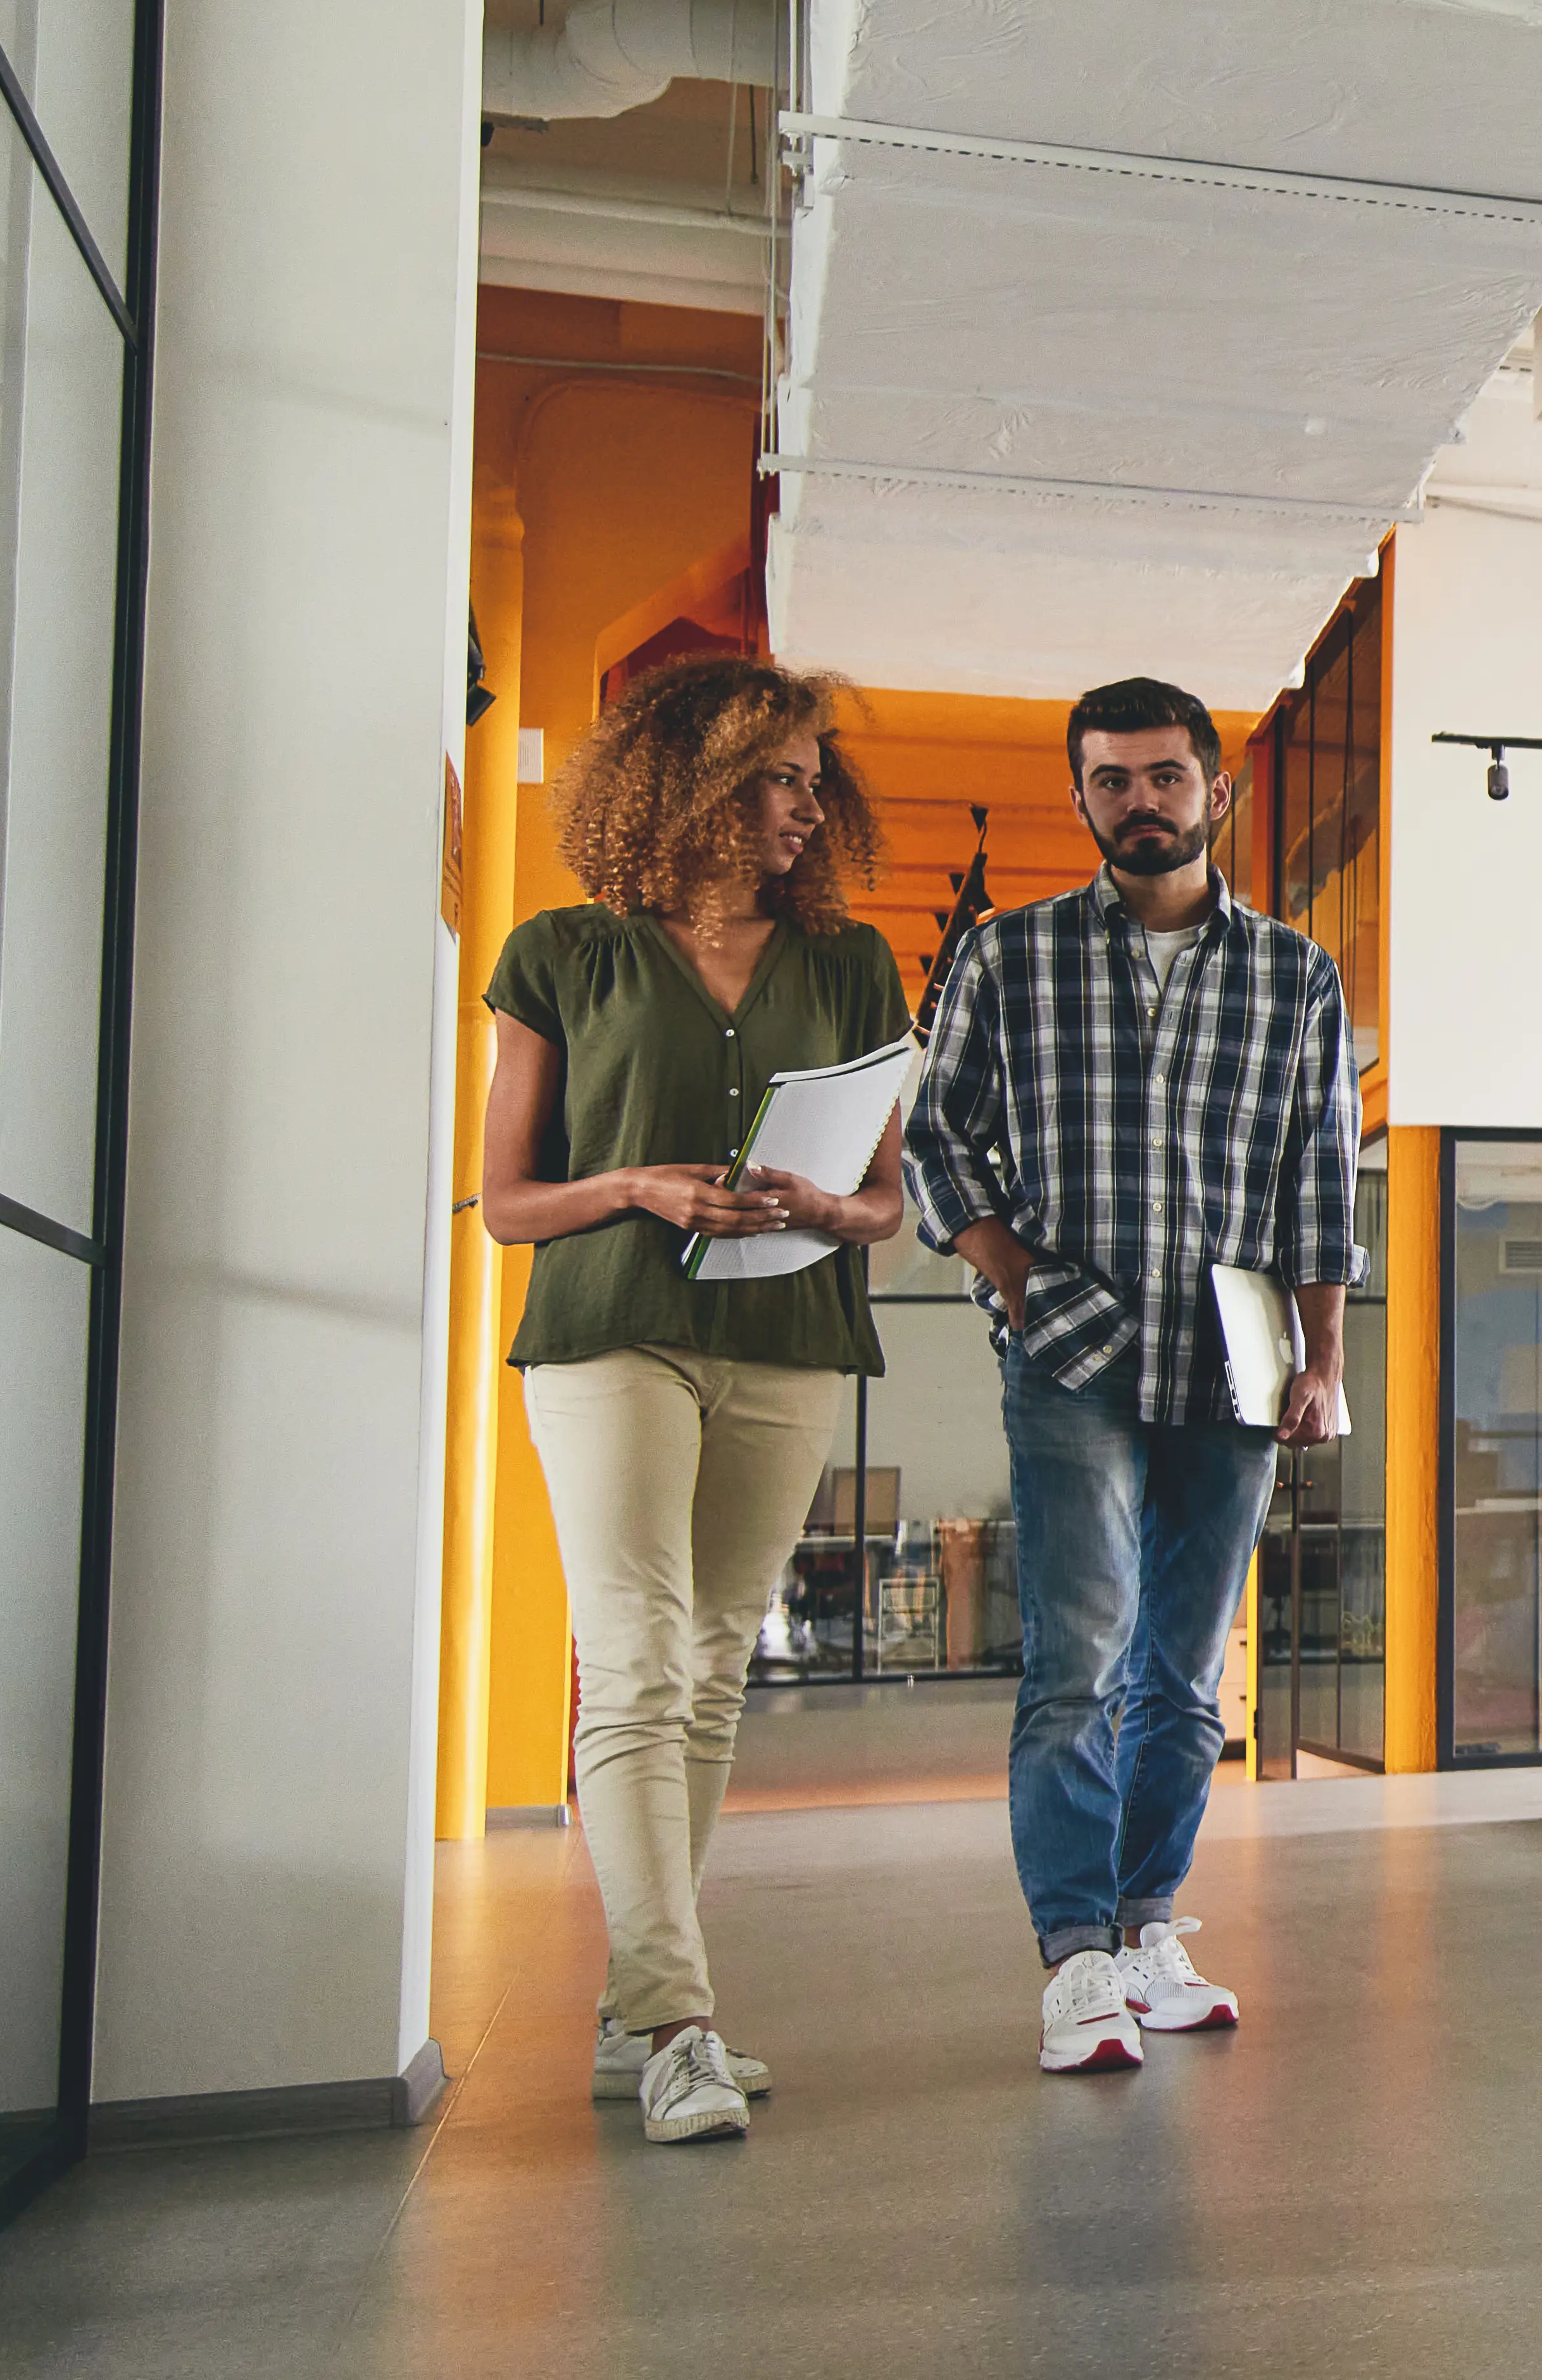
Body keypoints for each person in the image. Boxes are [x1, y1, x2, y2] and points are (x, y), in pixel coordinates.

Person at [478, 656, 913, 2148]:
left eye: (812, 779)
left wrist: (834, 1204)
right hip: (613, 1327)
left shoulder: (853, 968)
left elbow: (889, 1201)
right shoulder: (561, 954)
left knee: (717, 1663)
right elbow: (506, 1203)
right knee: (642, 1655)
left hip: (791, 1331)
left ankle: (634, 2013)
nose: (806, 804)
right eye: (781, 775)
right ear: (692, 777)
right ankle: (678, 2020)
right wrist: (633, 1184)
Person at [903, 675, 1362, 2083]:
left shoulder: (1293, 973)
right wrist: (1021, 1278)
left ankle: (1149, 1923)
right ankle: (1075, 1956)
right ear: (1082, 795)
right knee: (1078, 1660)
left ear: (1214, 791)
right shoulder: (1009, 955)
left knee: (1183, 1669)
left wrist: (1323, 1357)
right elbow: (938, 1143)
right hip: (1073, 1358)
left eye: (1166, 777)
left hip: (1234, 1356)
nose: (1141, 802)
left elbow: (1317, 1179)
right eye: (1112, 781)